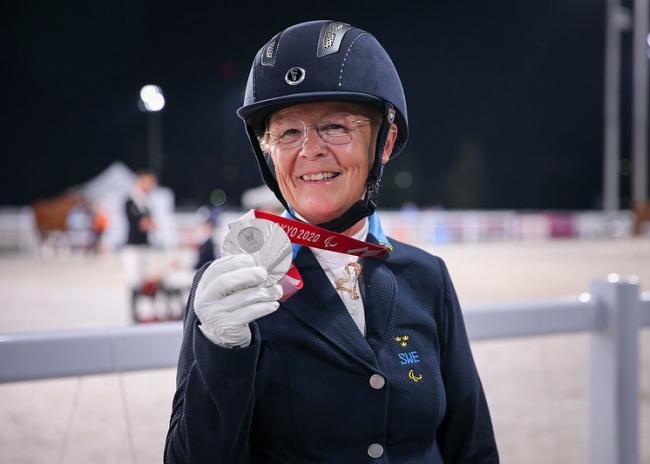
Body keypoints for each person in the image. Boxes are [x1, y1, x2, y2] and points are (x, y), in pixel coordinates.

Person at [165, 20, 498, 463]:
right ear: (268, 152)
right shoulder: (231, 286)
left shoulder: (427, 276)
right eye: (287, 132)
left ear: (384, 141)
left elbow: (470, 445)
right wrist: (221, 352)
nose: (311, 150)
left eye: (336, 127)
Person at [122, 169, 158, 322]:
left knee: (144, 279)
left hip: (144, 245)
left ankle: (142, 311)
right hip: (133, 247)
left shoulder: (145, 201)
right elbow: (142, 225)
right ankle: (133, 312)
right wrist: (149, 224)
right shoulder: (131, 201)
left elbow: (151, 224)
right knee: (134, 280)